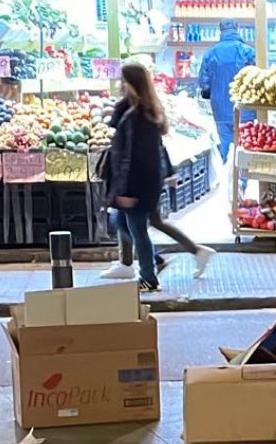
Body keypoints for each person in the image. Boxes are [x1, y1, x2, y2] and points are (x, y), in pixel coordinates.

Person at [101, 94, 215, 282]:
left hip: (141, 180)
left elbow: (142, 148)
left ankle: (148, 269)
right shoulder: (145, 106)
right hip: (147, 178)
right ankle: (137, 262)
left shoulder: (137, 110)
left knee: (136, 224)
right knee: (130, 220)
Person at [106, 63, 168, 292]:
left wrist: (127, 192)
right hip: (145, 183)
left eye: (123, 81)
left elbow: (134, 157)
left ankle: (148, 277)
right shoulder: (145, 111)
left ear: (131, 84)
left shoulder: (138, 117)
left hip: (138, 185)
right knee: (121, 222)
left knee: (137, 229)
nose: (120, 85)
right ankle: (153, 259)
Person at [198, 20, 254, 163]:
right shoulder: (248, 52)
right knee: (246, 148)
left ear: (220, 31)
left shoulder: (210, 54)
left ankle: (228, 181)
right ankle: (243, 182)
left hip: (220, 109)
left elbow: (204, 85)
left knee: (225, 150)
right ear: (237, 29)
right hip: (245, 110)